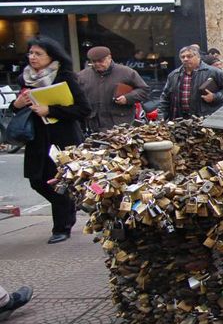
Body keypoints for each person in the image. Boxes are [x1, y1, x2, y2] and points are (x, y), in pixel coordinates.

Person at [10, 35, 92, 244]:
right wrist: (17, 104)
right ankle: (68, 207)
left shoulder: (65, 77)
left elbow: (83, 109)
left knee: (59, 181)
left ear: (51, 56)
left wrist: (50, 110)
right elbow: (17, 109)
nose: (33, 57)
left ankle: (61, 227)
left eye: (38, 54)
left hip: (62, 138)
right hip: (36, 137)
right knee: (36, 180)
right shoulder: (24, 78)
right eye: (30, 53)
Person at [77, 46, 150, 132]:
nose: (97, 64)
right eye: (94, 61)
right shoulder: (82, 76)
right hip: (94, 127)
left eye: (100, 61)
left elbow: (144, 90)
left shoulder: (127, 72)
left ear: (109, 58)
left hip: (121, 126)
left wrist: (127, 98)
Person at [158, 46, 223, 120]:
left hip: (204, 119)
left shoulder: (213, 72)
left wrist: (214, 97)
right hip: (180, 121)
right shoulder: (174, 75)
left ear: (198, 57)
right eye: (183, 57)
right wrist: (161, 117)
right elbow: (165, 98)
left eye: (189, 56)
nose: (185, 59)